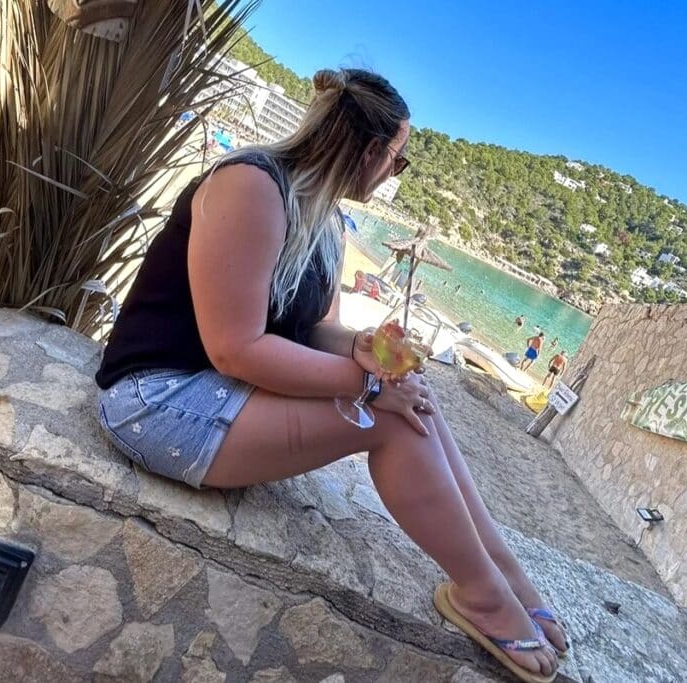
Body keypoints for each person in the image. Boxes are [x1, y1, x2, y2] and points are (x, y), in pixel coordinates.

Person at [94, 68, 564, 680]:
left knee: (413, 397)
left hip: (219, 390)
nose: (395, 174)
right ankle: (482, 595)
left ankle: (507, 575)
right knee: (388, 422)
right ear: (370, 152)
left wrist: (365, 350)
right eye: (398, 160)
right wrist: (366, 386)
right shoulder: (252, 186)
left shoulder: (328, 223)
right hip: (155, 398)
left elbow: (317, 330)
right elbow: (235, 348)